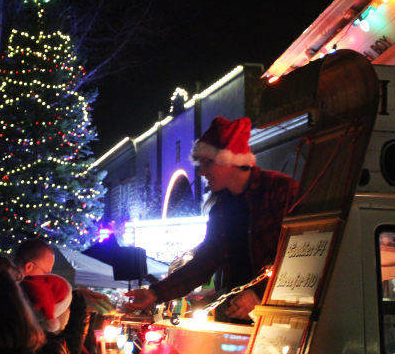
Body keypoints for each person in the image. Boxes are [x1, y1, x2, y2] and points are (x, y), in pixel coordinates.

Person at [124, 116, 298, 322]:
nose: (202, 172)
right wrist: (155, 293)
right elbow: (204, 262)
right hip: (239, 317)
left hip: (283, 317)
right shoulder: (221, 209)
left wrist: (259, 293)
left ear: (230, 160)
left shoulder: (279, 190)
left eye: (207, 163)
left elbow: (298, 254)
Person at [13, 238, 90, 354]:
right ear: (29, 267)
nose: (48, 278)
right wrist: (79, 307)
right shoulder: (25, 316)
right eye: (46, 272)